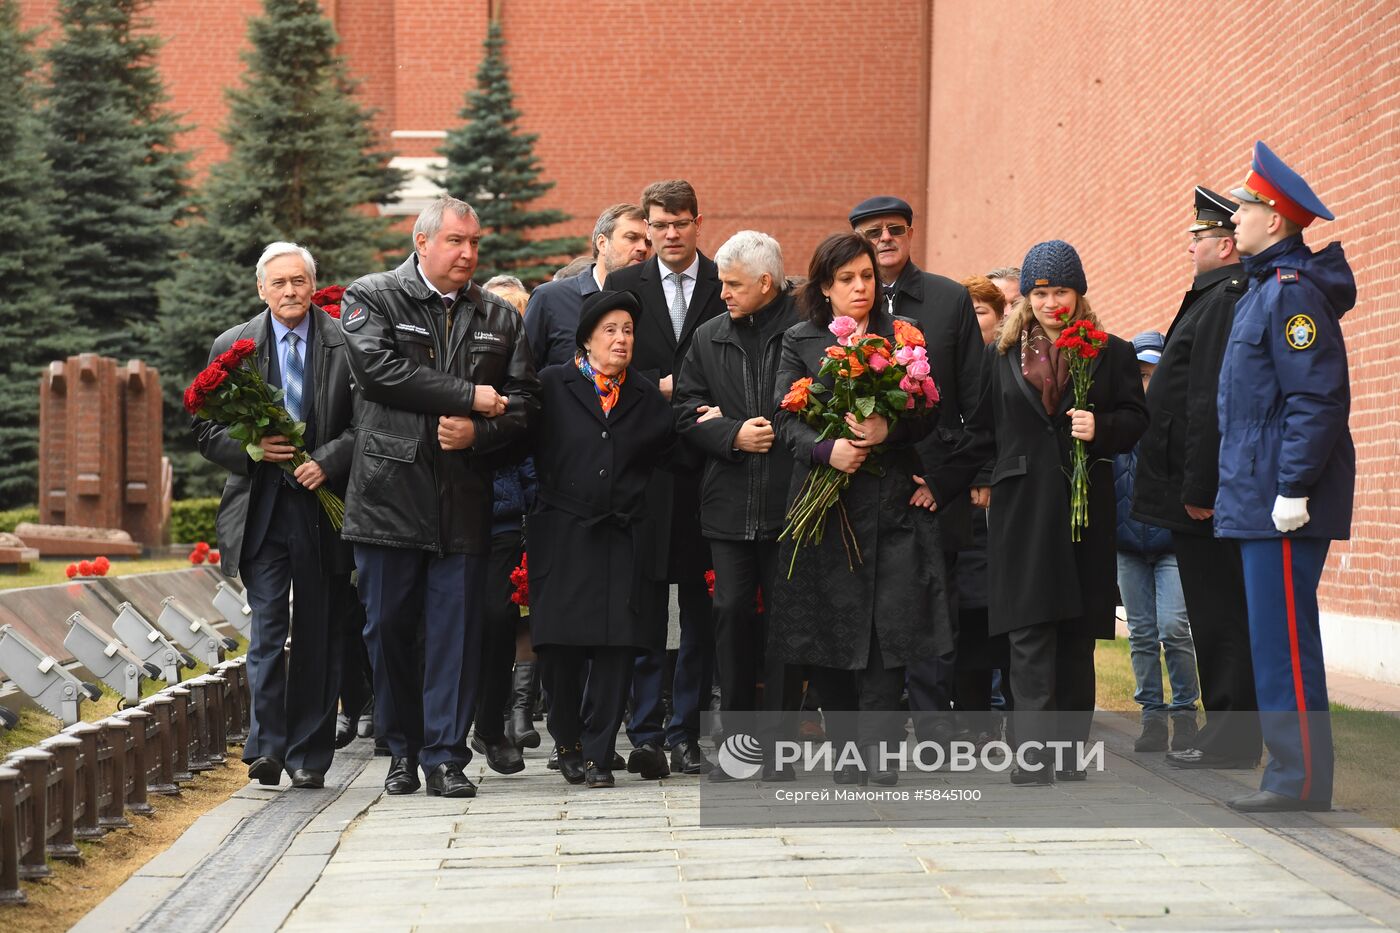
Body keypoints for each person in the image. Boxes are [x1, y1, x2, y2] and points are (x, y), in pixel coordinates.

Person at [340, 196, 540, 798]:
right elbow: (378, 371)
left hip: (463, 499)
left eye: (474, 243)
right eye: (456, 241)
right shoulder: (373, 296)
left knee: (456, 636)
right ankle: (401, 750)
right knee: (389, 631)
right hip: (388, 495)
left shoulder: (498, 316)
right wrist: (469, 397)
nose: (468, 253)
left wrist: (480, 434)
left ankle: (447, 758)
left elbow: (526, 404)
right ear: (422, 241)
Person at [933, 240, 1148, 785]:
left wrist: (1102, 427)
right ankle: (1032, 756)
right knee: (1027, 631)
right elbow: (982, 434)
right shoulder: (1001, 355)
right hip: (1022, 512)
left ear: (1080, 293)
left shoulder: (1111, 351)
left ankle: (1069, 754)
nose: (1052, 304)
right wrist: (939, 484)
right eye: (1041, 293)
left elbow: (1136, 419)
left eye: (1062, 292)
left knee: (1075, 634)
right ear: (1027, 298)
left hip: (1084, 510)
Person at [768, 232, 952, 785]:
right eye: (846, 279)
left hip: (890, 507)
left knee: (885, 633)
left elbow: (928, 412)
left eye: (867, 276)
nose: (860, 287)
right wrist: (828, 450)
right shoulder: (799, 338)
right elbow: (785, 418)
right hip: (827, 508)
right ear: (825, 287)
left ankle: (880, 754)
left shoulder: (902, 337)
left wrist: (887, 427)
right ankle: (848, 753)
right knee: (829, 633)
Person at [1217, 141, 1355, 813]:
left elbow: (1316, 398)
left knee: (1286, 645)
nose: (1233, 218)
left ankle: (1295, 781)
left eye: (1243, 208)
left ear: (1274, 218)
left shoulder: (1291, 295)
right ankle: (1291, 775)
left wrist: (1294, 487)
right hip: (1260, 493)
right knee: (1273, 641)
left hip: (1281, 499)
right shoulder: (1263, 291)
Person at [193, 242, 356, 789]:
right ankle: (265, 746)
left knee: (318, 633)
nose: (290, 291)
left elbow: (368, 423)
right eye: (279, 283)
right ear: (261, 289)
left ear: (313, 285)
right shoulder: (233, 345)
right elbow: (205, 428)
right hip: (261, 510)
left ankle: (309, 754)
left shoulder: (344, 341)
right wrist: (252, 448)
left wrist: (328, 462)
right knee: (267, 629)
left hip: (323, 511)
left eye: (299, 281)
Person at [528, 290, 681, 788]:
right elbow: (516, 439)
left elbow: (673, 452)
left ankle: (598, 752)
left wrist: (715, 428)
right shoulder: (552, 384)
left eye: (628, 331)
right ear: (587, 339)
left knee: (617, 648)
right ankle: (568, 742)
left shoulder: (645, 397)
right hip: (563, 534)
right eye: (610, 330)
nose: (621, 339)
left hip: (622, 536)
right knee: (560, 650)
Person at [1133, 186, 1262, 771]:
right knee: (1211, 615)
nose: (1191, 246)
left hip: (1201, 496)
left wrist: (1199, 489)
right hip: (1189, 489)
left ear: (1225, 244)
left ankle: (1231, 738)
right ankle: (1225, 732)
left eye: (1199, 237)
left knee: (1220, 616)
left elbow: (1208, 400)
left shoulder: (1224, 298)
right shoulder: (1212, 296)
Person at [605, 180, 727, 777]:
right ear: (647, 228)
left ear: (698, 222)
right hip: (647, 468)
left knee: (701, 607)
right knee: (647, 604)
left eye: (681, 223)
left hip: (710, 467)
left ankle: (687, 731)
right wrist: (662, 388)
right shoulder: (625, 286)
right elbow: (608, 365)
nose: (671, 234)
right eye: (659, 224)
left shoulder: (724, 282)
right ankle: (646, 732)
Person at [847, 196, 983, 733]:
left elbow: (975, 400)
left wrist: (950, 480)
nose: (885, 238)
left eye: (895, 228)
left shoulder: (949, 299)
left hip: (931, 478)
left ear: (910, 232)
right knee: (867, 600)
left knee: (933, 602)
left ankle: (932, 724)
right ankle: (871, 723)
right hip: (862, 478)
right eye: (872, 232)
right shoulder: (843, 302)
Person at [673, 231, 801, 780]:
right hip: (728, 504)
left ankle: (779, 749)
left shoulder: (806, 329)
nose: (721, 292)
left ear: (766, 282)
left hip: (792, 504)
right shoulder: (709, 336)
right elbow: (685, 409)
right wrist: (731, 434)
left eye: (732, 284)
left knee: (786, 624)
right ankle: (738, 748)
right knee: (729, 614)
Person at [1115, 332, 1199, 753]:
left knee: (1174, 628)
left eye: (1154, 374)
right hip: (1127, 545)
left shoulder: (1181, 420)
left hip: (1171, 543)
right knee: (1142, 633)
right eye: (1141, 375)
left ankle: (1184, 713)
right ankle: (1151, 717)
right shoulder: (1117, 421)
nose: (1147, 383)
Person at [948, 276, 1009, 730]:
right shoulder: (947, 368)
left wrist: (987, 474)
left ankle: (1016, 715)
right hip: (961, 509)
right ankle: (974, 721)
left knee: (1004, 617)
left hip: (1003, 507)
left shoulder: (1010, 365)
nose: (971, 322)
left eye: (980, 312)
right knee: (969, 614)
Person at [525, 204, 650, 368]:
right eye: (632, 238)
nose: (643, 248)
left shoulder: (651, 302)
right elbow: (524, 370)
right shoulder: (549, 298)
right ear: (602, 243)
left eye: (648, 242)